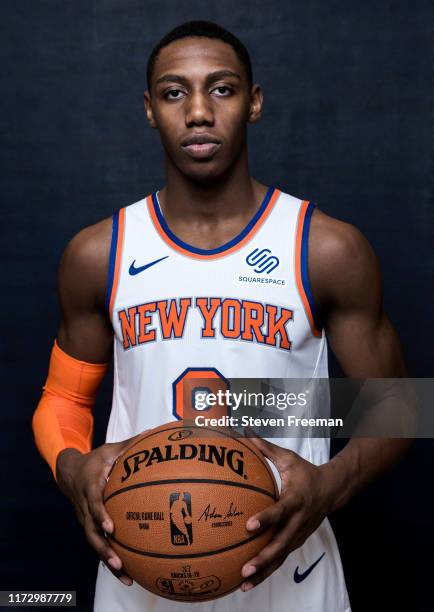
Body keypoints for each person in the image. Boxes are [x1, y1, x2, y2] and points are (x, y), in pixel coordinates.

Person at [32, 19, 411, 612]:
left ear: (254, 103)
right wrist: (72, 467)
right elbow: (64, 401)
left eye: (223, 89)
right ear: (151, 110)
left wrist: (324, 486)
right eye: (174, 92)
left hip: (293, 577)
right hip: (140, 570)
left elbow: (397, 406)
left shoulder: (325, 248)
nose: (199, 112)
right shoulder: (98, 254)